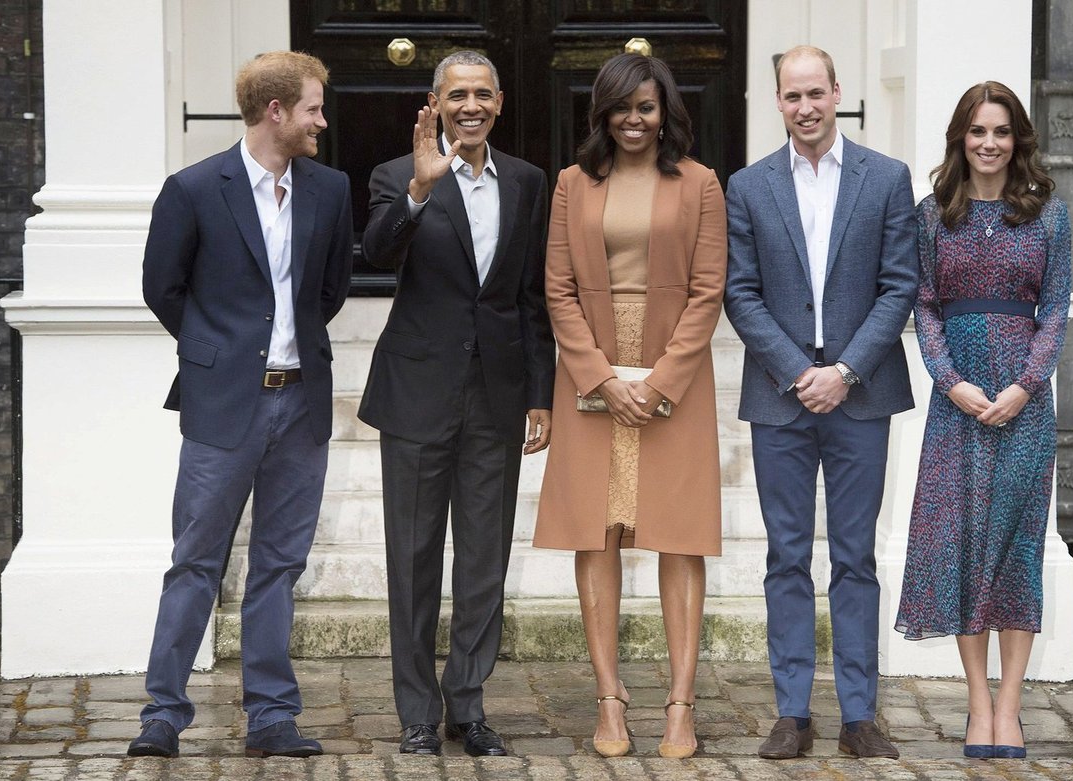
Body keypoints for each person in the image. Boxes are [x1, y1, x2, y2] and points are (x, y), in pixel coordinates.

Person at [130, 51, 353, 759]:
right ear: (277, 111)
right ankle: (162, 714)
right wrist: (219, 355)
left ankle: (271, 718)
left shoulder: (331, 189)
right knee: (195, 560)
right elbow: (162, 288)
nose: (323, 119)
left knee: (279, 565)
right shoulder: (194, 189)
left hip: (302, 404)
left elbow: (331, 289)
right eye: (314, 107)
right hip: (224, 404)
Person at [357, 50, 555, 758]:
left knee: (483, 562)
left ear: (499, 103)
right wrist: (417, 189)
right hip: (416, 395)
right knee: (412, 559)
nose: (470, 106)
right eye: (456, 95)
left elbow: (531, 296)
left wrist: (542, 393)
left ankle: (466, 705)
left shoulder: (529, 182)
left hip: (497, 397)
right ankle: (416, 711)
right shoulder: (395, 174)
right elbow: (376, 253)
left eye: (482, 95)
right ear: (436, 104)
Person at [724, 45, 918, 760]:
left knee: (855, 556)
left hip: (860, 399)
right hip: (780, 400)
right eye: (792, 96)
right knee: (785, 555)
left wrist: (844, 370)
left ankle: (860, 712)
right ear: (777, 102)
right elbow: (738, 293)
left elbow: (899, 285)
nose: (805, 107)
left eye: (816, 93)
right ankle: (793, 711)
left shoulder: (886, 179)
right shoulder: (747, 187)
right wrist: (794, 370)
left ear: (838, 92)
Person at [532, 52, 726, 760]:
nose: (633, 120)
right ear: (602, 115)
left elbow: (709, 290)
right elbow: (557, 287)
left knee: (679, 533)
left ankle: (680, 702)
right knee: (597, 531)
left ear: (664, 111)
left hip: (677, 375)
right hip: (592, 374)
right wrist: (601, 377)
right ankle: (609, 698)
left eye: (645, 107)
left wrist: (661, 381)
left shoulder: (702, 184)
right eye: (621, 108)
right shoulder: (572, 184)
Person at [895, 81, 1070, 761]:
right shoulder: (932, 214)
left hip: (1025, 405)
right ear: (960, 139)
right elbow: (925, 306)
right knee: (963, 546)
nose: (990, 143)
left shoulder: (1049, 215)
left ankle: (1010, 704)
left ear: (1017, 138)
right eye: (978, 131)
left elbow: (1055, 310)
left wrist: (1026, 385)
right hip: (957, 403)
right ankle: (975, 701)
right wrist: (952, 381)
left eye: (1001, 131)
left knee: (1016, 549)